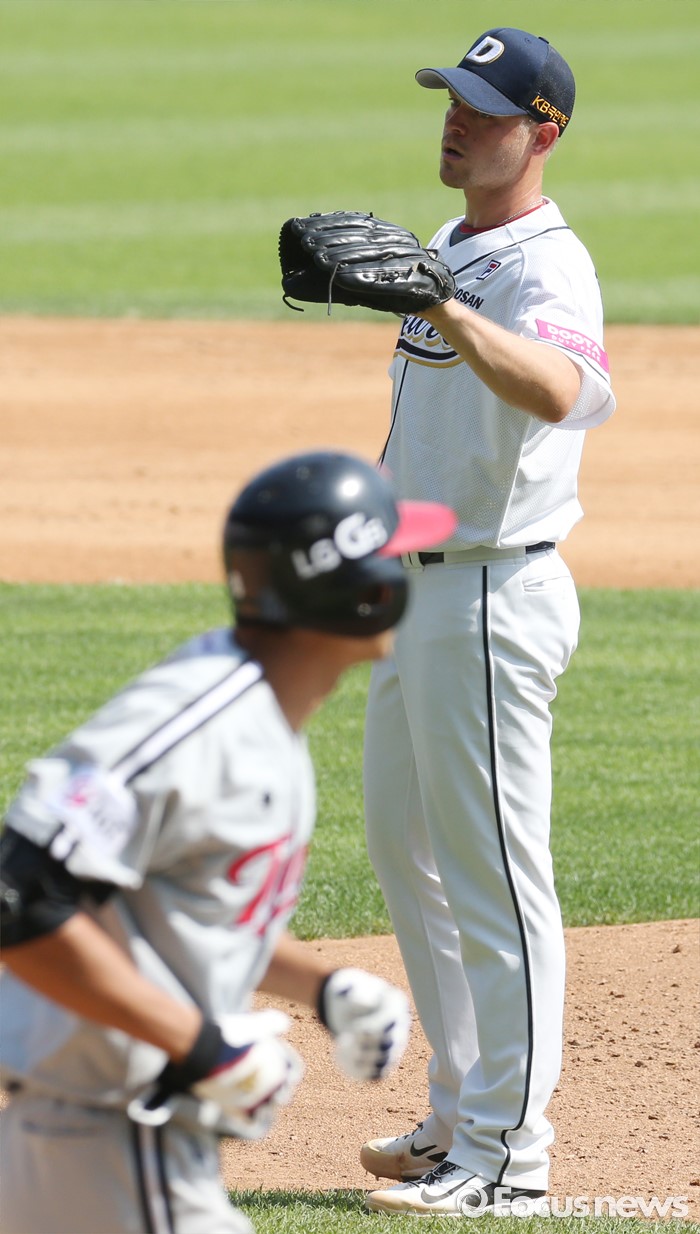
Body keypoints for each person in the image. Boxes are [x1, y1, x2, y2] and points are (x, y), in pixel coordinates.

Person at [0, 448, 457, 1234]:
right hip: (114, 1144)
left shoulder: (265, 709)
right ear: (361, 591)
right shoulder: (199, 721)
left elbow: (175, 908)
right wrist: (205, 1049)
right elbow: (18, 895)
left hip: (104, 1140)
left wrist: (323, 986)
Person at [358, 27, 617, 1218]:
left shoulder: (547, 266)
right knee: (404, 849)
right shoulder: (453, 245)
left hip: (488, 595)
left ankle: (510, 1157)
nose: (455, 120)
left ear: (542, 131)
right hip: (416, 583)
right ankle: (461, 1111)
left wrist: (442, 306)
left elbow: (561, 390)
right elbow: (424, 424)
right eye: (450, 98)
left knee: (497, 876)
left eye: (484, 108)